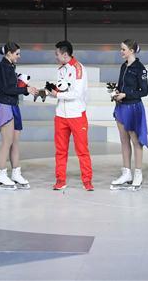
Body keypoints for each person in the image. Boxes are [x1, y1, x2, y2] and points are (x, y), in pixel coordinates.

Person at [0, 42, 34, 190]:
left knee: (15, 141)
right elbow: (6, 89)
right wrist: (25, 89)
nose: (19, 57)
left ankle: (16, 172)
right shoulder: (2, 67)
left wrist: (24, 87)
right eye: (17, 54)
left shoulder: (10, 66)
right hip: (5, 106)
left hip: (13, 105)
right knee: (7, 142)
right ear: (9, 53)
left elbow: (13, 87)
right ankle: (1, 176)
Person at [51, 40, 93, 191]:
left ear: (65, 54)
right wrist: (51, 92)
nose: (55, 57)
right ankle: (60, 180)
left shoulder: (78, 68)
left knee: (82, 150)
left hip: (76, 115)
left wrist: (57, 95)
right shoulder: (60, 69)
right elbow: (61, 89)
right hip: (60, 115)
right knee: (60, 150)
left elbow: (76, 93)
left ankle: (87, 181)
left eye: (57, 54)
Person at [110, 39, 148, 189]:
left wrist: (126, 94)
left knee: (136, 141)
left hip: (133, 108)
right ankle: (127, 172)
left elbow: (144, 91)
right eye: (121, 49)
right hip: (121, 108)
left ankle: (138, 173)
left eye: (123, 49)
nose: (121, 51)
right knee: (124, 141)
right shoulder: (123, 66)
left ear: (131, 51)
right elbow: (121, 86)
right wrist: (117, 93)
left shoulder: (140, 68)